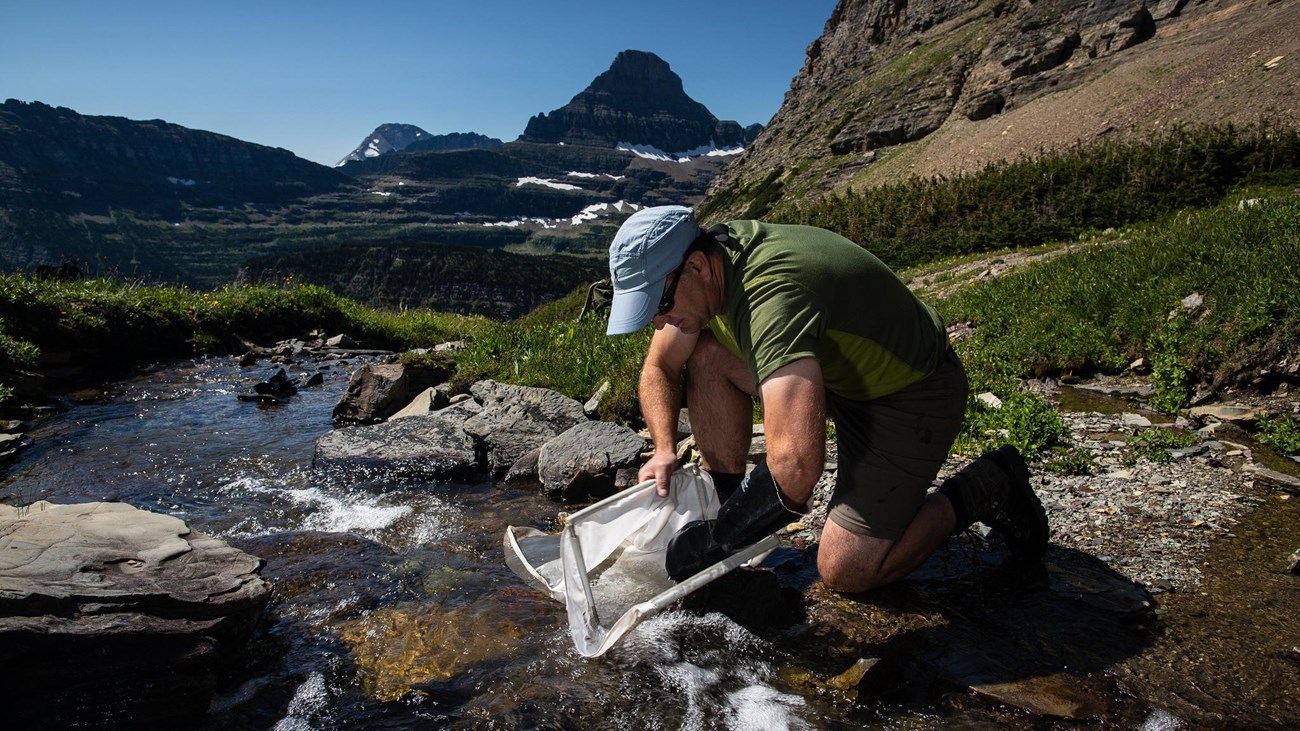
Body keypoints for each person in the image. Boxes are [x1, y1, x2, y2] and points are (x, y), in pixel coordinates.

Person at [604, 205, 1049, 592]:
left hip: (909, 393)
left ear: (697, 267)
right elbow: (659, 367)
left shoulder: (771, 299)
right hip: (834, 374)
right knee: (704, 354)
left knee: (846, 571)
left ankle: (989, 483)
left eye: (659, 304)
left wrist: (717, 540)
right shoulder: (709, 263)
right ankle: (730, 502)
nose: (659, 320)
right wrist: (664, 448)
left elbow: (796, 470)